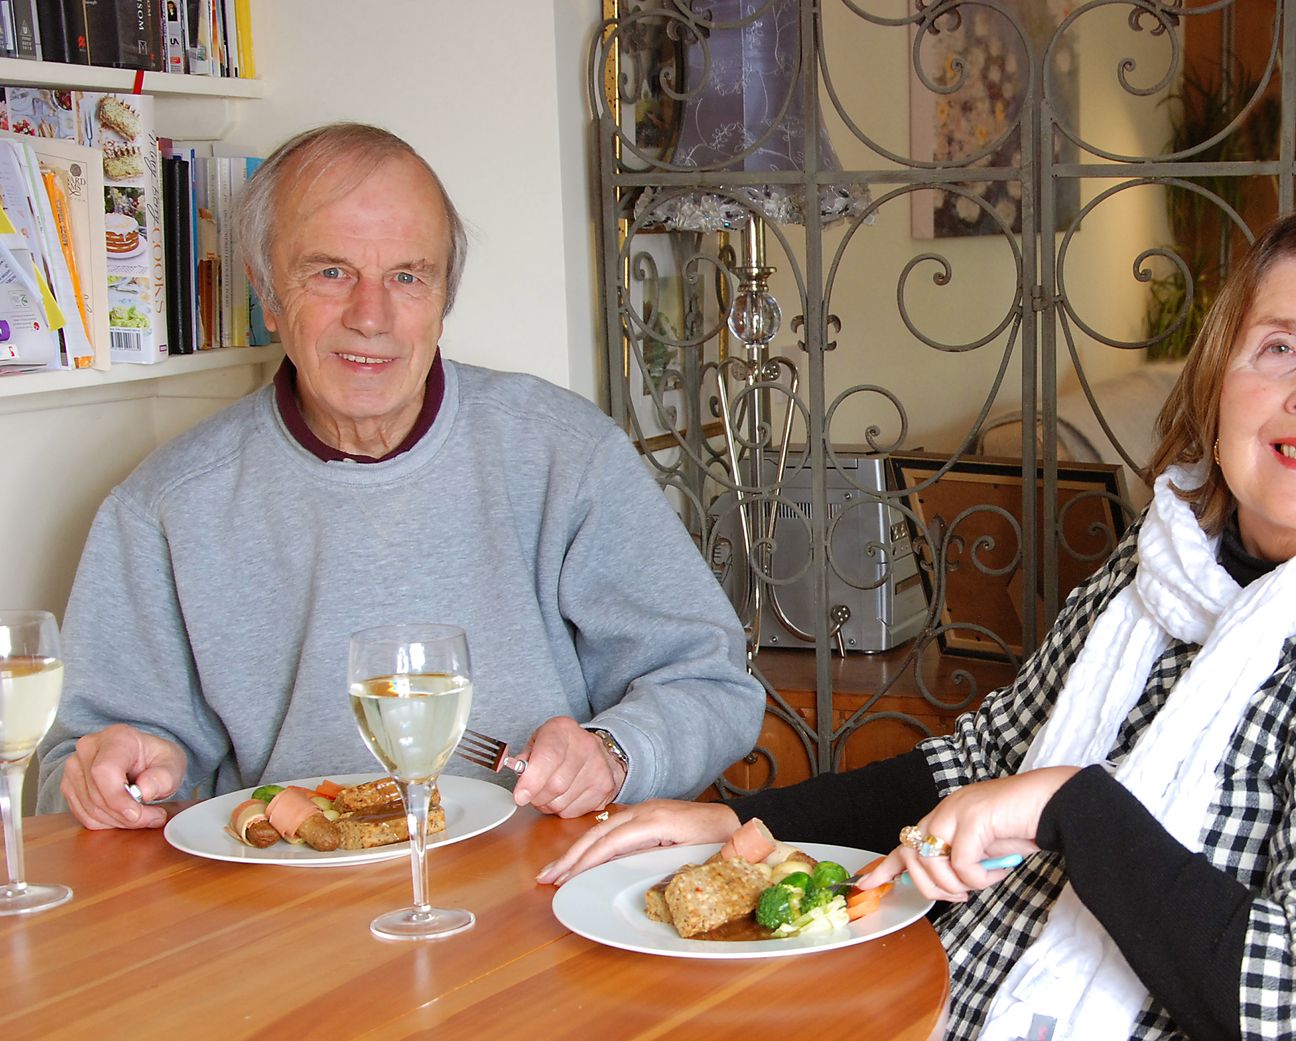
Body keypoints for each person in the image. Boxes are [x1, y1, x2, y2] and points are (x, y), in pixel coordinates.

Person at [537, 201, 1296, 1041]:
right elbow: (975, 766)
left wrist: (1071, 808)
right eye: (1279, 348)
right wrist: (739, 819)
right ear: (1221, 379)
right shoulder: (1161, 570)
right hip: (963, 1017)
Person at [39, 122, 763, 828]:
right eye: (330, 272)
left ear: (443, 298)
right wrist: (124, 772)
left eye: (408, 277)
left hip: (545, 889)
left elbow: (710, 682)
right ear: (266, 293)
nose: (371, 315)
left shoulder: (564, 452)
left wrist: (613, 752)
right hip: (286, 909)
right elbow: (79, 766)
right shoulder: (163, 505)